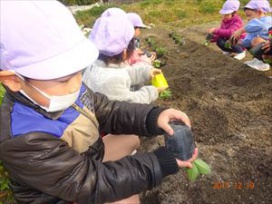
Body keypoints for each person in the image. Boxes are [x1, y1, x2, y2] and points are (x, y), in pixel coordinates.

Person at [0, 1, 198, 203]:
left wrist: (152, 117)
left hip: (87, 160)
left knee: (131, 138)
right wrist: (157, 163)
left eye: (79, 72)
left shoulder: (58, 90)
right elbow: (89, 183)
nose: (77, 83)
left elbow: (109, 110)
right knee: (127, 198)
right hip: (67, 194)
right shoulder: (23, 139)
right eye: (64, 79)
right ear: (14, 80)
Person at [83, 14, 165, 104]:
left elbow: (126, 72)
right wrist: (152, 92)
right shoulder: (111, 80)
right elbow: (129, 103)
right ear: (124, 51)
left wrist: (146, 72)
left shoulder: (99, 65)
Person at [232, 0, 272, 71]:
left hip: (269, 48)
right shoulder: (255, 24)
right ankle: (258, 60)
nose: (248, 19)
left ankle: (263, 63)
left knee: (256, 41)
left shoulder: (267, 20)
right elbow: (249, 39)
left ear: (259, 12)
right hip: (265, 48)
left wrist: (241, 30)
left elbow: (261, 26)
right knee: (252, 41)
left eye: (249, 15)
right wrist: (240, 42)